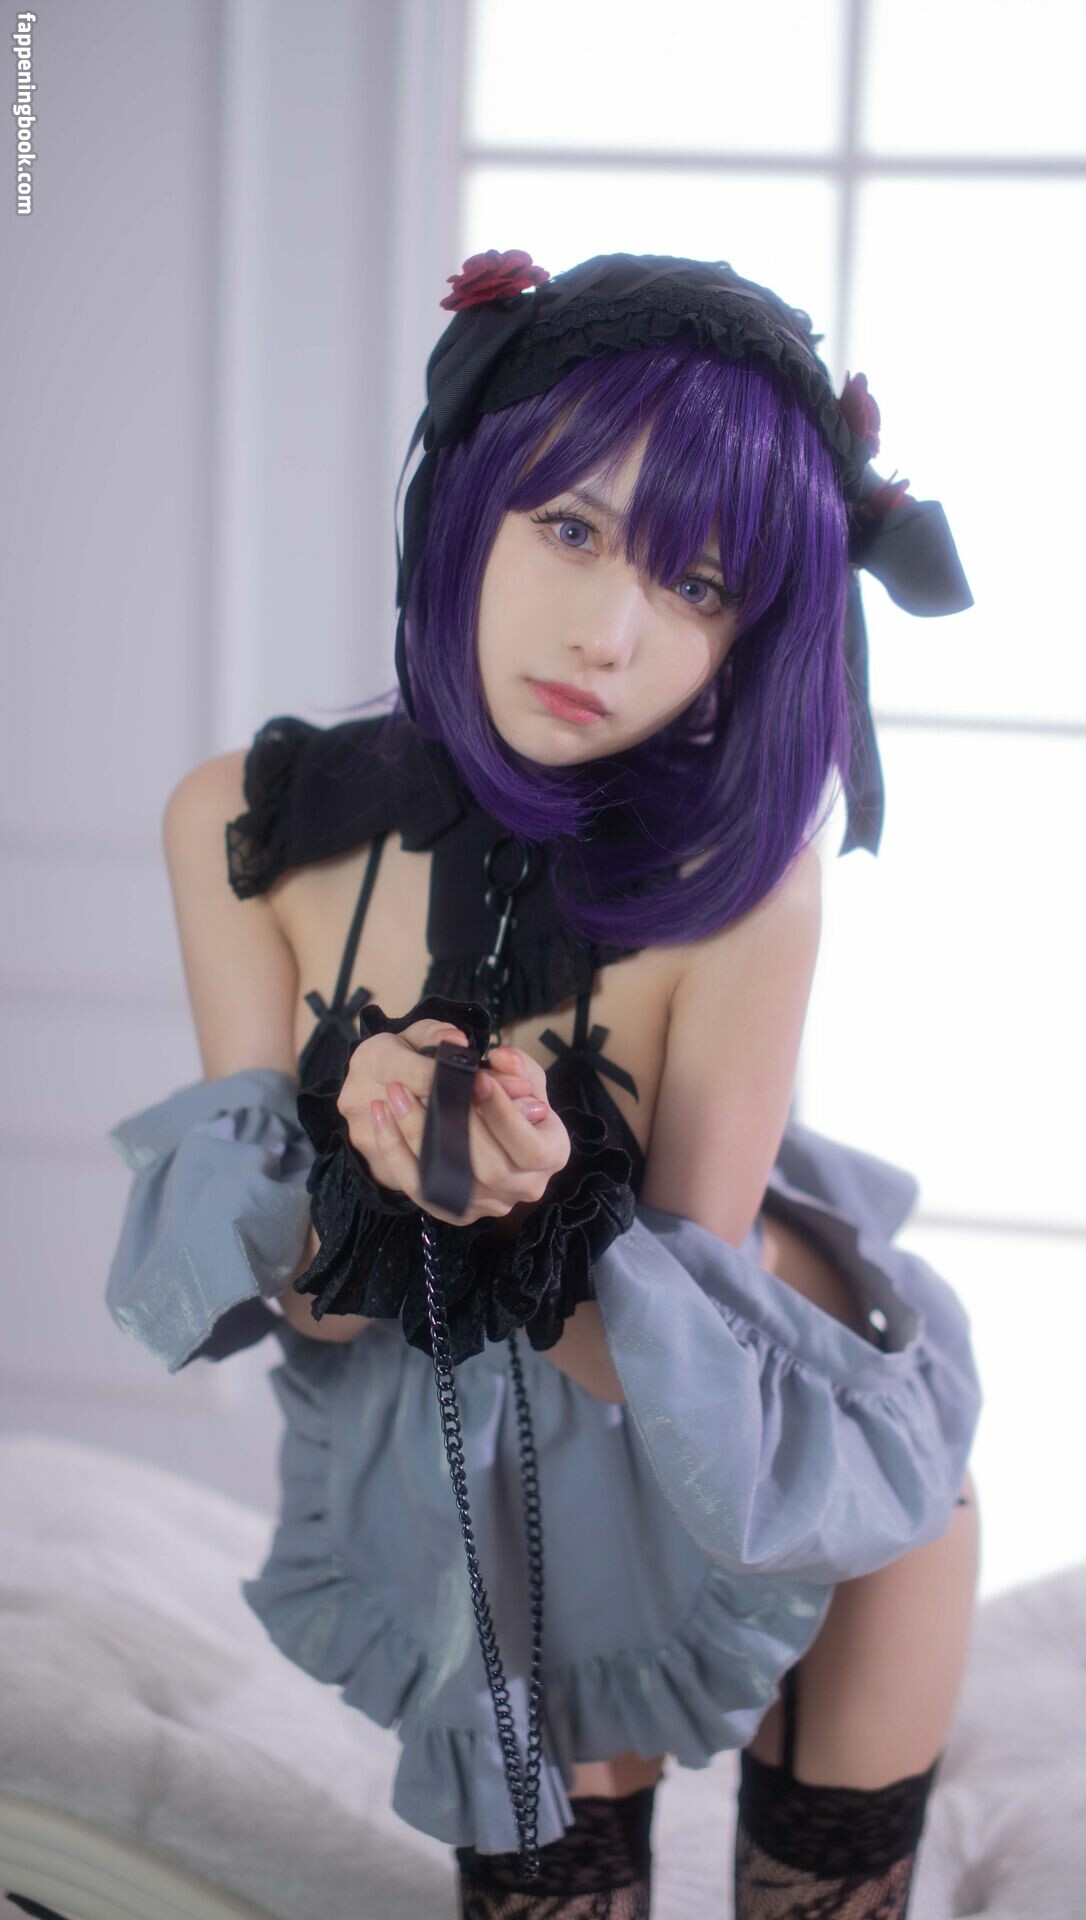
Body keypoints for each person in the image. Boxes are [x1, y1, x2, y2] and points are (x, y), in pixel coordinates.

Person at [105, 249, 984, 1918]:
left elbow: (682, 1359)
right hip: (501, 1537)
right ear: (468, 493)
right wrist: (382, 1172)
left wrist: (523, 1212)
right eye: (571, 528)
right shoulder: (245, 831)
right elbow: (299, 1309)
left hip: (799, 1470)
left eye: (700, 585)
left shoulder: (749, 890)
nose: (609, 634)